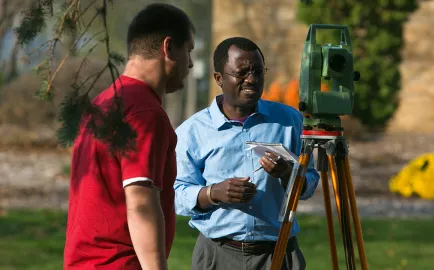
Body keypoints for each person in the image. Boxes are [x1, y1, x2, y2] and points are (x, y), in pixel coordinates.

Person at [63, 3, 195, 270]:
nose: (191, 63)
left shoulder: (103, 103)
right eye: (189, 51)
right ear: (168, 48)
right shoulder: (144, 112)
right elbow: (141, 203)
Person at [174, 37, 320, 270]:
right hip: (217, 255)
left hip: (279, 252)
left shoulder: (290, 121)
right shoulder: (192, 131)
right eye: (241, 73)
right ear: (219, 78)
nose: (251, 80)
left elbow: (310, 182)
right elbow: (177, 194)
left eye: (258, 71)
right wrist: (214, 193)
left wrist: (288, 174)